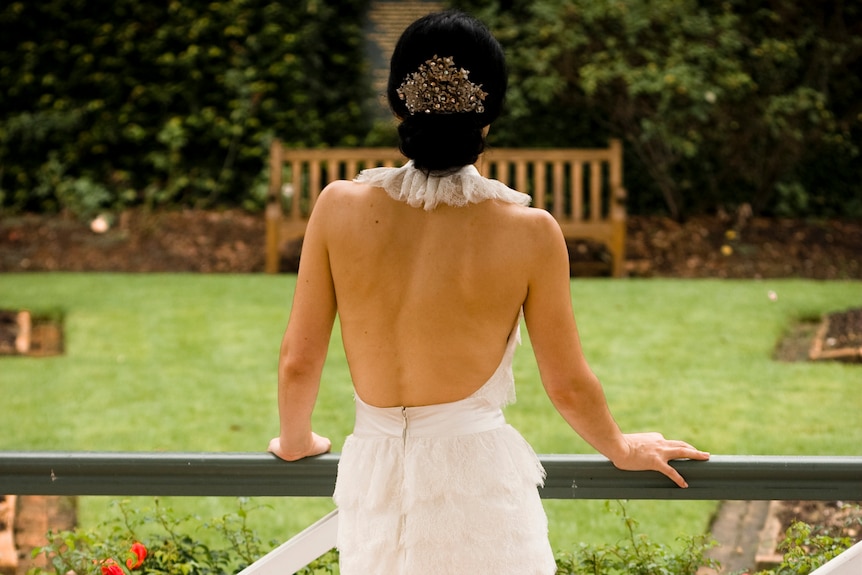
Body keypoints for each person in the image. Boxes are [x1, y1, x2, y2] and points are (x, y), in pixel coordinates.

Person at [268, 9, 709, 574]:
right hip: (477, 491)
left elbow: (298, 362)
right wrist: (621, 448)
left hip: (375, 486)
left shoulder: (336, 207)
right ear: (489, 118)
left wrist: (296, 439)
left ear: (398, 105)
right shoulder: (530, 232)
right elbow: (568, 385)